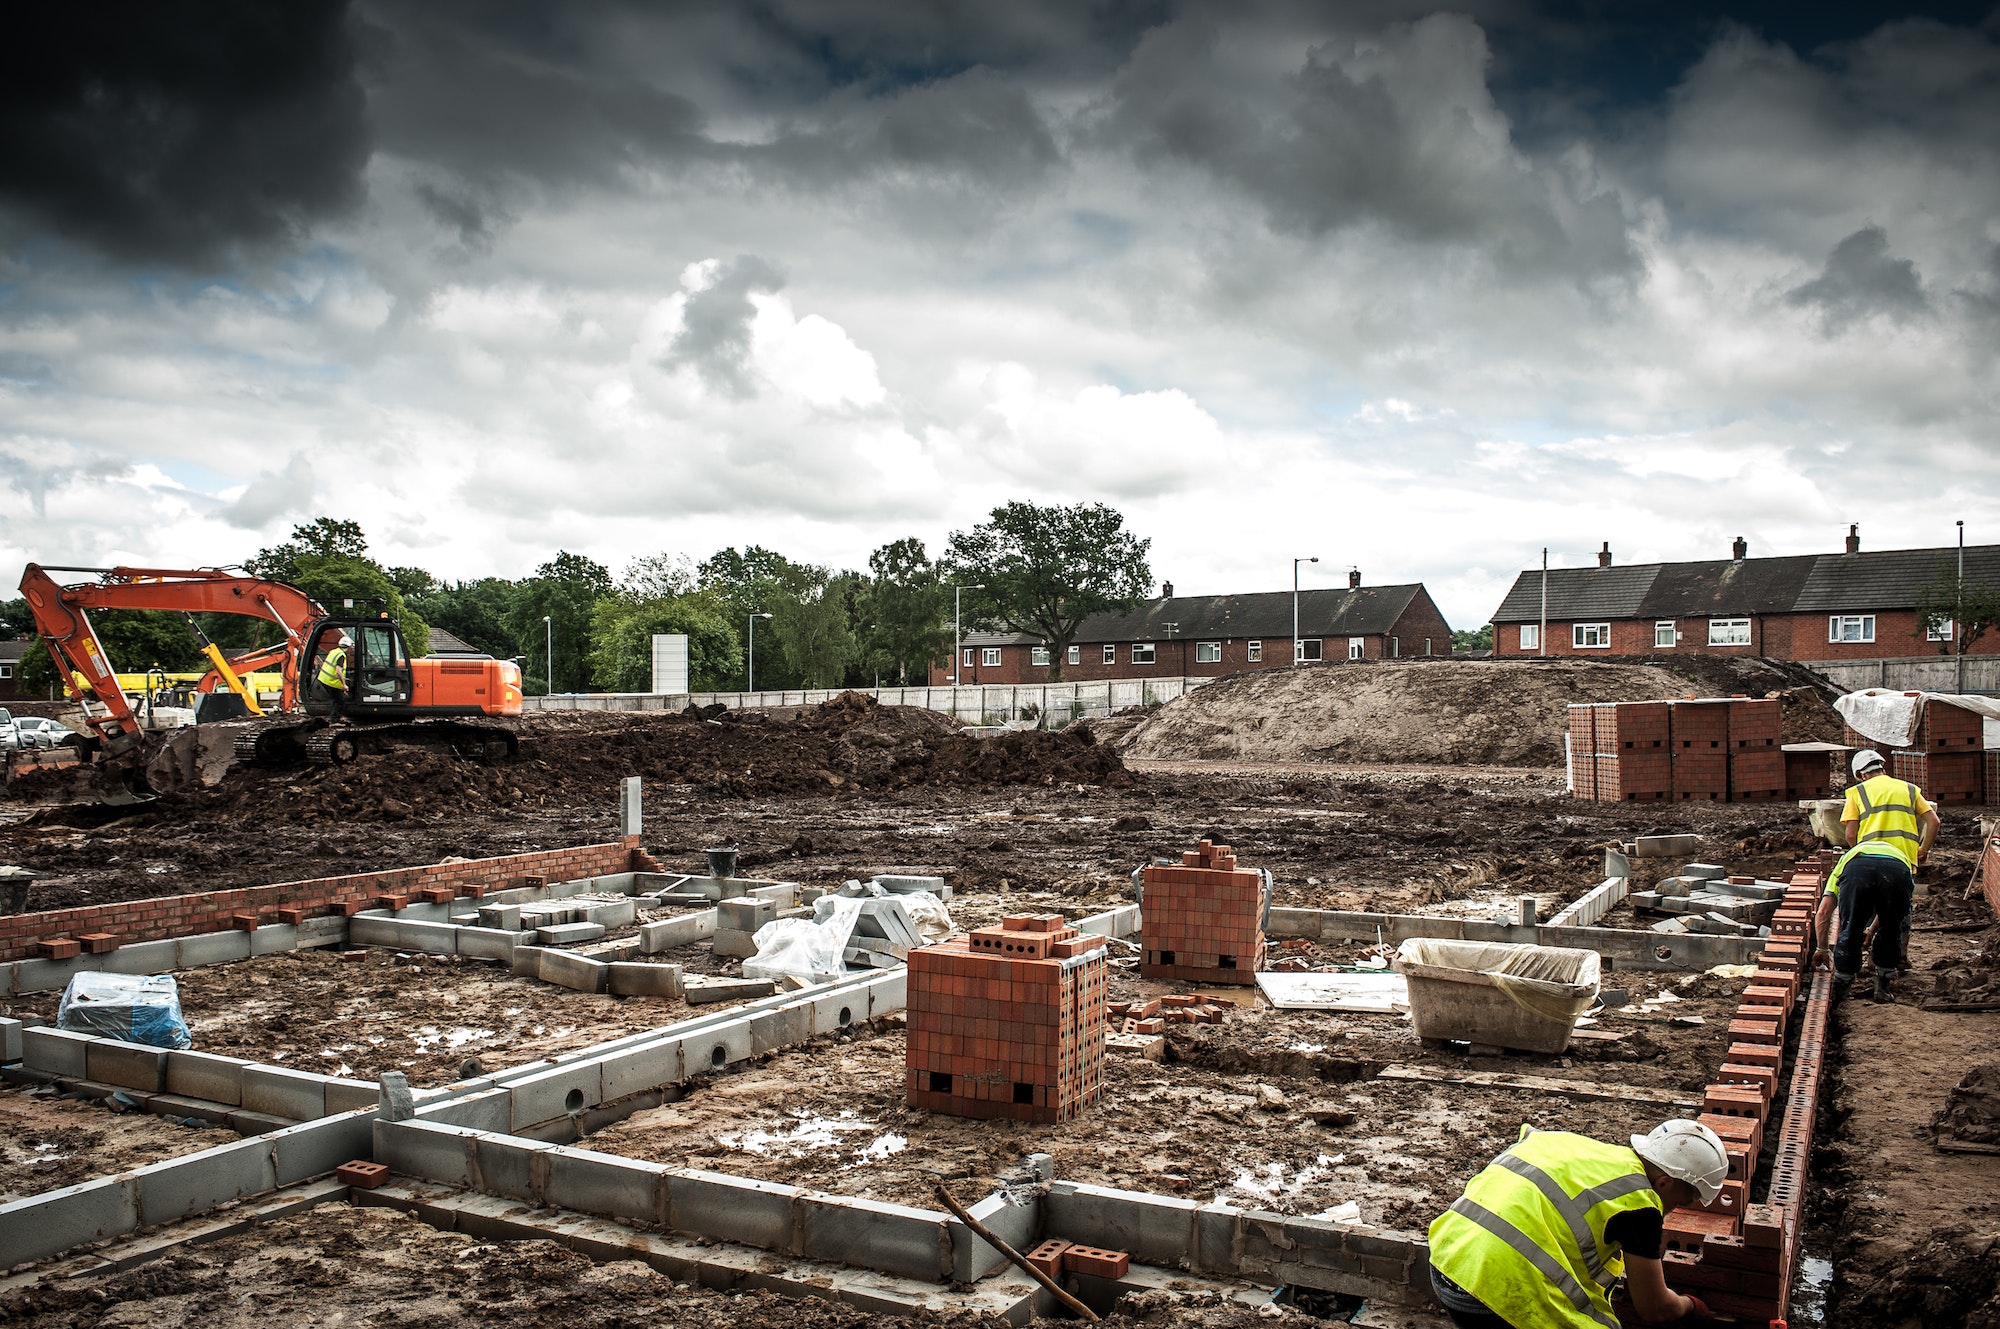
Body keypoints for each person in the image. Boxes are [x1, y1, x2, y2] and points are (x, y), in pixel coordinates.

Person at [1428, 1119, 1728, 1328]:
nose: (1672, 1211)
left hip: (1446, 1264)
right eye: (1680, 1202)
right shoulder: (1639, 1202)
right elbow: (1655, 1308)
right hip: (1491, 1296)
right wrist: (1690, 1306)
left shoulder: (1567, 1145)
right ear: (1664, 1182)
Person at [1811, 748, 1939, 1000]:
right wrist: (1922, 850)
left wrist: (1822, 948)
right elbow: (1934, 821)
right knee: (1894, 921)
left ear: (1860, 774)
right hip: (1900, 862)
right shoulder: (1910, 789)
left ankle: (1843, 985)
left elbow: (1849, 835)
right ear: (1882, 767)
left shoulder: (1857, 793)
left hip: (1861, 864)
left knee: (1851, 924)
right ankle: (1885, 980)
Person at [317, 634, 353, 721]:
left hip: (323, 678)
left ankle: (337, 717)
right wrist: (344, 685)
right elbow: (338, 671)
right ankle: (334, 720)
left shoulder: (334, 651)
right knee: (339, 700)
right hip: (330, 681)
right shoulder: (341, 655)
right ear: (348, 646)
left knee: (336, 698)